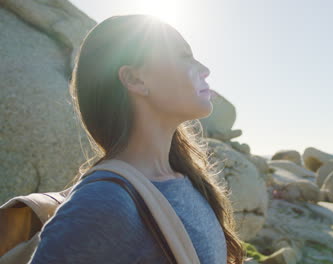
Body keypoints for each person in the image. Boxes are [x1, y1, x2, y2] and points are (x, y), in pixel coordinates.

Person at [28, 14, 245, 264]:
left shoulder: (187, 179)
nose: (205, 70)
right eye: (184, 56)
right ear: (135, 79)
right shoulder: (103, 202)